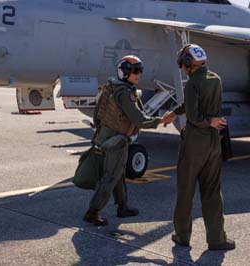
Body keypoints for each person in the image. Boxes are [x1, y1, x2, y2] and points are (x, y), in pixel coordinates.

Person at [83, 55, 172, 226]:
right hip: (116, 140)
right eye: (134, 71)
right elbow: (139, 119)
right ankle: (92, 212)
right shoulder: (124, 93)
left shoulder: (111, 86)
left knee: (119, 173)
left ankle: (122, 206)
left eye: (139, 70)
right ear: (124, 73)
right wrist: (160, 121)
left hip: (108, 136)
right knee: (111, 176)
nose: (138, 74)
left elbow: (97, 114)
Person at [163, 44, 235, 250]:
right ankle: (217, 239)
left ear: (188, 64)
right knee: (212, 190)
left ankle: (182, 236)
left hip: (195, 142)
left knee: (186, 190)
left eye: (181, 64)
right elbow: (198, 104)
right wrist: (176, 112)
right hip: (214, 141)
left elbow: (194, 116)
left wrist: (206, 121)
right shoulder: (215, 79)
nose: (181, 68)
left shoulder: (192, 83)